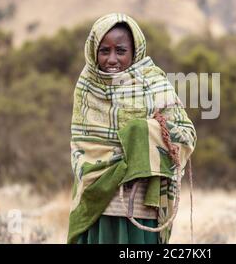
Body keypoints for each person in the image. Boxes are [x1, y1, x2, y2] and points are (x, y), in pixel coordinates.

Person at [67, 13, 197, 244]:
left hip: (141, 204)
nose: (112, 59)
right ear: (93, 51)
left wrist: (144, 132)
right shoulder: (86, 86)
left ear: (135, 51)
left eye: (120, 50)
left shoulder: (154, 82)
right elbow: (82, 145)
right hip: (97, 202)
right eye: (104, 51)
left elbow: (186, 136)